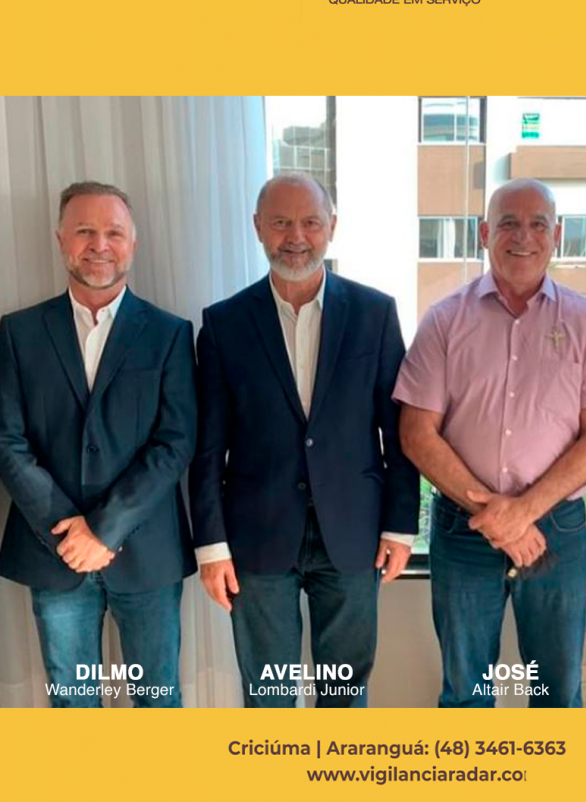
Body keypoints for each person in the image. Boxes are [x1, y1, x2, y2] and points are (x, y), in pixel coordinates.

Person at [190, 174, 419, 707]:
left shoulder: (375, 314)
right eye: (281, 222)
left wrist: (400, 526)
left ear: (332, 227)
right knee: (267, 696)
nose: (296, 236)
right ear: (258, 228)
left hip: (354, 534)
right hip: (257, 536)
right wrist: (212, 546)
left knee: (344, 695)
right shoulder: (224, 324)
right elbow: (207, 448)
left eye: (310, 222)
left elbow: (399, 432)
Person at [394, 178, 586, 707]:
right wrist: (498, 516)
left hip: (557, 530)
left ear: (557, 236)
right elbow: (415, 433)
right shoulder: (444, 320)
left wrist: (523, 512)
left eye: (538, 224)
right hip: (462, 530)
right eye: (508, 224)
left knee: (557, 696)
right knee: (465, 696)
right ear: (484, 234)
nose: (524, 236)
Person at [0, 181, 197, 707]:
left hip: (147, 552)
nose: (99, 245)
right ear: (61, 239)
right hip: (54, 551)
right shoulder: (17, 333)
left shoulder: (170, 334)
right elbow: (7, 441)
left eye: (114, 232)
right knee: (74, 708)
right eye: (84, 231)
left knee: (158, 704)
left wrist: (104, 529)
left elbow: (175, 442)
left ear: (133, 243)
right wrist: (69, 531)